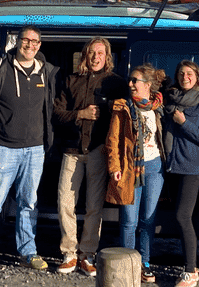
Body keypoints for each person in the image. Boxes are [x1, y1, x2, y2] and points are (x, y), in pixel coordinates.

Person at [0, 25, 59, 275]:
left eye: (35, 41)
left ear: (40, 45)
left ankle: (27, 252)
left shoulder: (46, 72)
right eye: (25, 40)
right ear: (17, 42)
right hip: (3, 148)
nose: (30, 45)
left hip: (35, 149)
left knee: (29, 203)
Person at [52, 37, 127, 276]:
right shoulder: (70, 80)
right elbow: (57, 113)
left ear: (107, 57)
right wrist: (80, 114)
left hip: (98, 151)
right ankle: (69, 253)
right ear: (85, 55)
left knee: (94, 206)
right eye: (92, 53)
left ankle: (88, 254)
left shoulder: (116, 83)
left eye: (101, 53)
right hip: (72, 151)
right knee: (65, 202)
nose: (96, 57)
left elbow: (122, 117)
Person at [104, 63, 166, 284]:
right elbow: (112, 142)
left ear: (148, 85)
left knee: (148, 219)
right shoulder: (123, 108)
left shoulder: (158, 106)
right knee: (129, 220)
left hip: (155, 168)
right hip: (131, 169)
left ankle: (145, 262)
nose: (130, 84)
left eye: (135, 81)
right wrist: (114, 168)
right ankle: (128, 261)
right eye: (130, 80)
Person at [162, 60, 199, 287]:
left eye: (189, 73)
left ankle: (191, 271)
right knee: (178, 216)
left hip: (192, 168)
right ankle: (190, 266)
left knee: (183, 216)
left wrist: (183, 123)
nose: (185, 77)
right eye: (181, 73)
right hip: (172, 166)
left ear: (197, 76)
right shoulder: (170, 99)